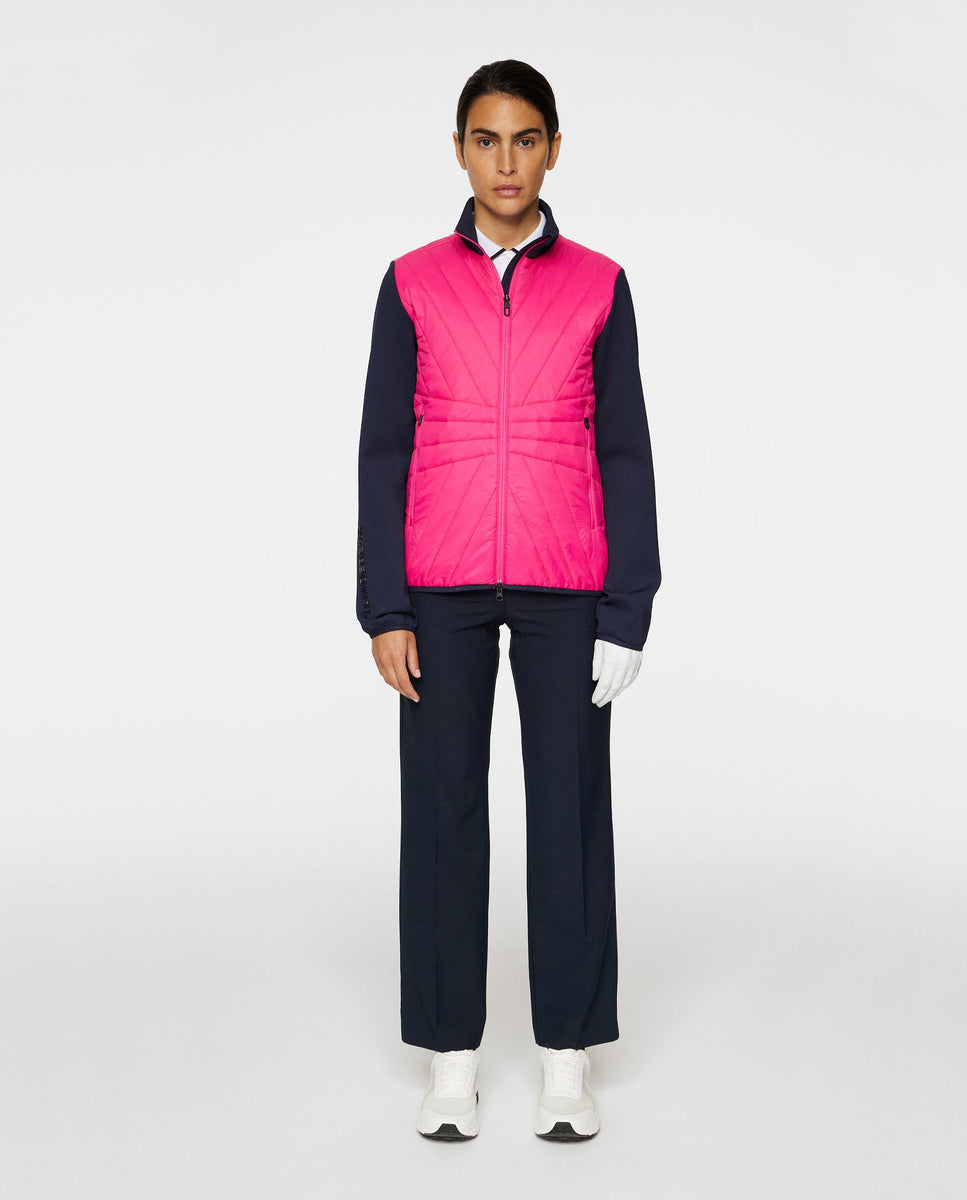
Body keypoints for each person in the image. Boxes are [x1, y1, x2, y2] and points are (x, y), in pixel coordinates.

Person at [354, 59, 661, 1141]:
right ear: (458, 150)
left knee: (567, 815)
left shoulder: (599, 284)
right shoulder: (411, 282)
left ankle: (566, 1053)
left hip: (564, 582)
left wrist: (628, 607)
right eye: (485, 140)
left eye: (526, 139)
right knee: (442, 814)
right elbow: (383, 450)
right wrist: (385, 606)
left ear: (554, 149)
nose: (506, 162)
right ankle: (452, 1056)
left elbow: (624, 450)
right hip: (437, 586)